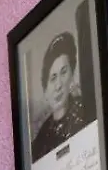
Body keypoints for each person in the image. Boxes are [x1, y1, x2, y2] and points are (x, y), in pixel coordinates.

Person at [31, 31, 95, 162]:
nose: (59, 85)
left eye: (64, 72)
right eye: (53, 78)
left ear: (72, 74)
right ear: (45, 88)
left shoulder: (87, 111)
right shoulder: (40, 141)